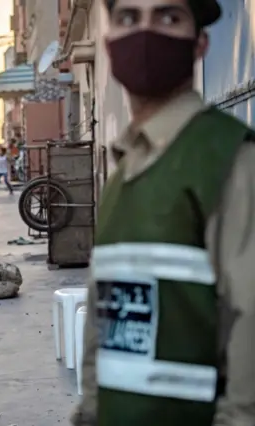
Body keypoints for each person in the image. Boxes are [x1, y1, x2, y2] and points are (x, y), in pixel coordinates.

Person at [72, 1, 255, 425]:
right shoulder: (122, 177)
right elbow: (106, 318)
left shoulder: (230, 160)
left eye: (168, 17)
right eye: (129, 18)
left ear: (200, 44)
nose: (146, 34)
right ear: (110, 41)